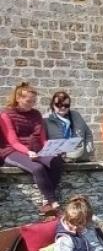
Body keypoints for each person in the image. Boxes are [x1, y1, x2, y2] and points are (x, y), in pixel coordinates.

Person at [0, 82, 64, 216]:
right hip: (12, 151)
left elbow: (42, 139)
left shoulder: (36, 114)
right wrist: (28, 152)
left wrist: (52, 149)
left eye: (34, 101)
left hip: (35, 149)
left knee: (56, 160)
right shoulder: (6, 115)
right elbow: (13, 141)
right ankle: (52, 202)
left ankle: (46, 199)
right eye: (29, 101)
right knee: (37, 168)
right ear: (18, 98)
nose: (32, 104)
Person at [44, 91, 94, 162]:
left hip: (80, 158)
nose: (63, 107)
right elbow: (43, 140)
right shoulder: (46, 119)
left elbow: (88, 133)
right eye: (59, 105)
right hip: (59, 160)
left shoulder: (76, 115)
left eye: (66, 105)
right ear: (53, 105)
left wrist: (89, 149)